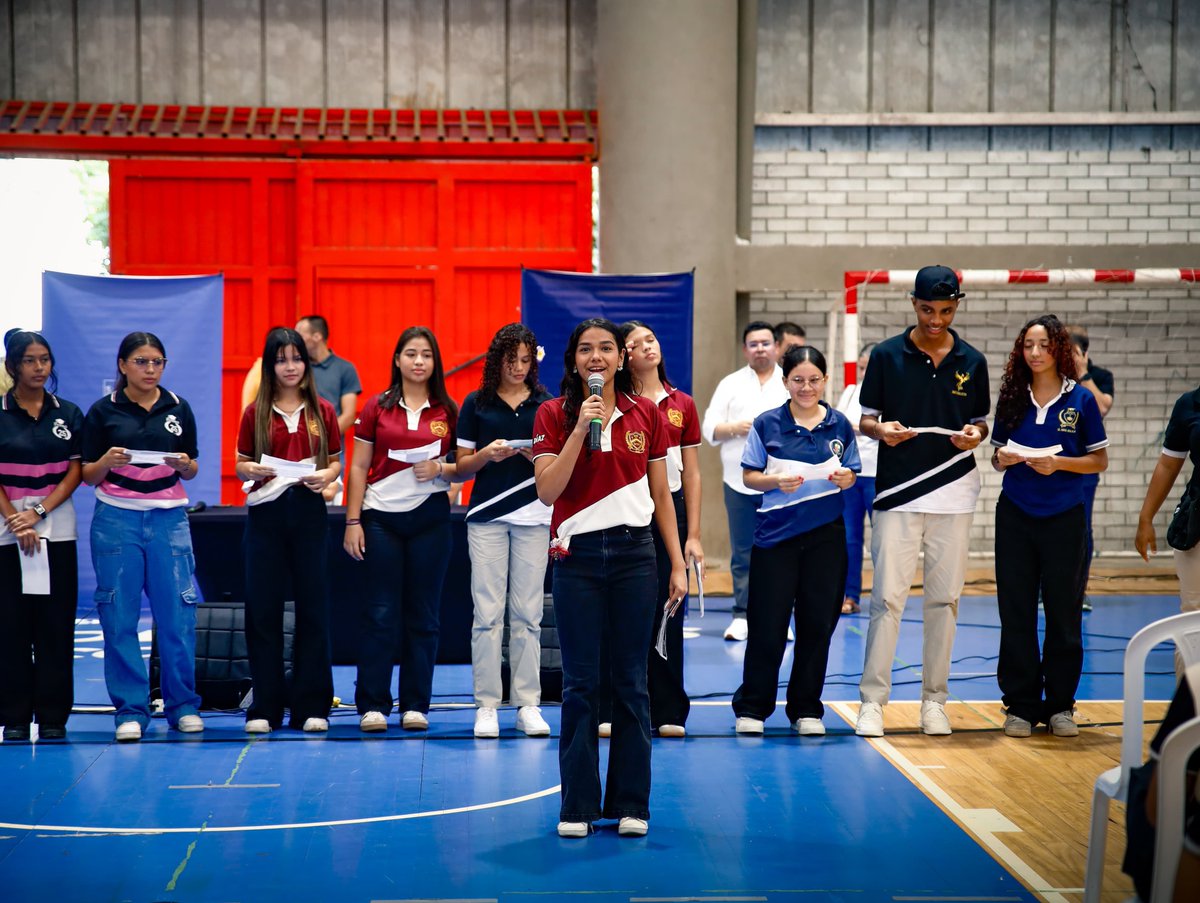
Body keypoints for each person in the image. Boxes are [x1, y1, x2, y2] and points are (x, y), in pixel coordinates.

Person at [533, 318, 687, 839]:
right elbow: (548, 492)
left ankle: (630, 804)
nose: (595, 358)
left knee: (631, 684)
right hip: (576, 559)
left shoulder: (650, 413)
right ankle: (577, 806)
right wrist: (581, 427)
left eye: (605, 349)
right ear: (573, 360)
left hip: (634, 556)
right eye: (585, 350)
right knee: (580, 685)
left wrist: (679, 562)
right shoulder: (553, 414)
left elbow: (663, 496)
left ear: (621, 357)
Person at [854, 266, 990, 738]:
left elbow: (980, 423)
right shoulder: (887, 355)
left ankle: (934, 701)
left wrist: (976, 435)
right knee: (886, 599)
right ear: (913, 303)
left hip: (955, 493)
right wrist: (880, 430)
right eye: (928, 309)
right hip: (897, 494)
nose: (937, 319)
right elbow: (866, 419)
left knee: (944, 602)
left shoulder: (973, 360)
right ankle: (872, 702)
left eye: (946, 310)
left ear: (957, 305)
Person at [990, 315, 1108, 738]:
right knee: (1016, 610)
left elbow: (1098, 460)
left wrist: (1058, 463)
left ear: (1059, 349)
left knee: (1063, 612)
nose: (1035, 353)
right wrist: (1001, 458)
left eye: (1043, 345)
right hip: (1016, 514)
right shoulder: (1011, 396)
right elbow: (996, 452)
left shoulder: (1082, 401)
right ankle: (1020, 705)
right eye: (1027, 346)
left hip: (1064, 517)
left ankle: (1060, 704)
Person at [82, 332, 204, 742]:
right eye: (141, 361)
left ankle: (182, 705)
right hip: (117, 518)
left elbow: (192, 467)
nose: (150, 369)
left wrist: (186, 464)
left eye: (157, 362)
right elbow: (86, 475)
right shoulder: (102, 412)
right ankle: (131, 710)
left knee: (177, 616)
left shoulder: (178, 407)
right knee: (119, 617)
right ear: (122, 365)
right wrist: (105, 461)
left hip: (169, 518)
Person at [732, 346, 859, 736]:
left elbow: (852, 472)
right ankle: (753, 708)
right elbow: (749, 476)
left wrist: (845, 479)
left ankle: (806, 709)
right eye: (798, 380)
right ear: (786, 381)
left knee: (817, 625)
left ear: (825, 380)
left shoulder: (839, 424)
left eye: (814, 380)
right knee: (767, 625)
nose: (806, 387)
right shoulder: (767, 424)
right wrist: (775, 481)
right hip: (775, 538)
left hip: (826, 538)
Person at [343, 326, 458, 732]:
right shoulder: (376, 406)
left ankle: (415, 705)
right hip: (380, 519)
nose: (419, 361)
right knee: (380, 612)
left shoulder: (448, 408)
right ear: (398, 360)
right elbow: (357, 466)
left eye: (426, 354)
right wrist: (352, 519)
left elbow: (462, 463)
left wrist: (446, 475)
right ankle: (373, 705)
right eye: (411, 353)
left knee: (423, 615)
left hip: (430, 520)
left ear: (434, 362)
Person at [235, 327, 341, 734]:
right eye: (281, 359)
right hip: (265, 517)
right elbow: (241, 461)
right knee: (263, 612)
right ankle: (265, 706)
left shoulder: (323, 411)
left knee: (314, 609)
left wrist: (326, 476)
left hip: (309, 514)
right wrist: (252, 469)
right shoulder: (255, 413)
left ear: (306, 363)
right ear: (270, 364)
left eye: (296, 358)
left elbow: (334, 461)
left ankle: (312, 706)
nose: (290, 366)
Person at [454, 323, 553, 739]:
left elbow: (562, 459)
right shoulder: (475, 403)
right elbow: (459, 465)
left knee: (528, 614)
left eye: (525, 359)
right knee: (487, 614)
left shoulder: (548, 404)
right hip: (487, 517)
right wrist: (485, 455)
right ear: (497, 360)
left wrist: (538, 455)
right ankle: (487, 705)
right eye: (511, 359)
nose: (518, 367)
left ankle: (528, 703)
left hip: (534, 515)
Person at [618, 319, 705, 737]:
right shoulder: (617, 404)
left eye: (650, 339)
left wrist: (693, 536)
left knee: (670, 608)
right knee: (627, 613)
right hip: (627, 512)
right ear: (623, 357)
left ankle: (669, 708)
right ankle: (618, 706)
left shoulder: (682, 403)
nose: (646, 347)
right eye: (635, 344)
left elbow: (692, 473)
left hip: (673, 511)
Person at [0, 331, 83, 742]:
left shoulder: (67, 412)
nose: (38, 368)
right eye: (30, 360)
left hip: (56, 526)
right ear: (12, 366)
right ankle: (14, 715)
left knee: (54, 625)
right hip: (6, 529)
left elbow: (75, 472)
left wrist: (39, 512)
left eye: (45, 360)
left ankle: (52, 716)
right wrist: (15, 519)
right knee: (10, 625)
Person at [702, 321, 789, 641]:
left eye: (766, 343)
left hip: (781, 483)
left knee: (781, 551)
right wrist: (737, 427)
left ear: (777, 347)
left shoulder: (788, 381)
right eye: (754, 344)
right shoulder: (730, 384)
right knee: (743, 551)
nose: (760, 349)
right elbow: (708, 429)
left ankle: (780, 617)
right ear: (745, 349)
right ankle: (742, 614)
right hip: (738, 482)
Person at [1136, 381, 1200, 675]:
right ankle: (1188, 715)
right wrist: (1146, 517)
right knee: (1194, 621)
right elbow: (1168, 465)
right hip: (1196, 524)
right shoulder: (1190, 404)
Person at [1066, 325, 1115, 612]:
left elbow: (1102, 408)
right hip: (1052, 464)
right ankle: (1043, 589)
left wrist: (1083, 374)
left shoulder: (1100, 377)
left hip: (1084, 467)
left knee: (1081, 526)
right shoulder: (1052, 375)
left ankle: (1079, 588)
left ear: (1084, 352)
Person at [835, 342, 878, 615]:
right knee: (850, 538)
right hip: (851, 475)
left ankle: (885, 596)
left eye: (870, 368)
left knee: (884, 538)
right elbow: (839, 426)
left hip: (879, 475)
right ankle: (851, 595)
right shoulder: (850, 392)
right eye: (862, 368)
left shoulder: (892, 395)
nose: (865, 373)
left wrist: (864, 430)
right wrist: (866, 430)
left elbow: (887, 432)